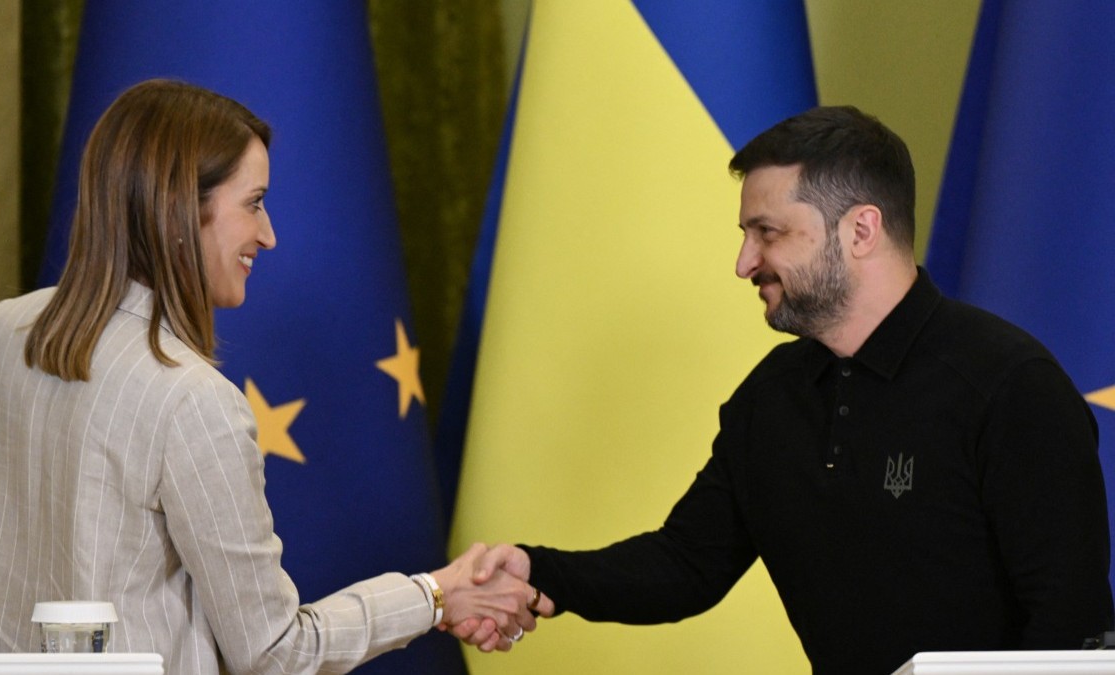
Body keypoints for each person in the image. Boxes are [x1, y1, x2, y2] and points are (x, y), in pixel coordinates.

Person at [0, 79, 536, 674]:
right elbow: (274, 653)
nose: (267, 236)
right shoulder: (191, 400)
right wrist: (432, 595)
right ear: (182, 211)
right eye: (254, 203)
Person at [465, 106, 1114, 674]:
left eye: (767, 232)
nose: (744, 263)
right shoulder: (771, 399)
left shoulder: (1008, 385)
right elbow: (685, 565)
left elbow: (1072, 628)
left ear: (861, 230)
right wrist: (538, 573)